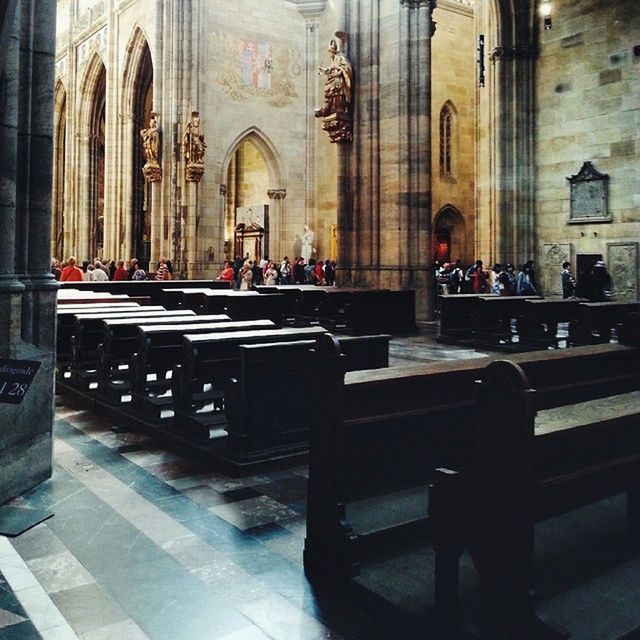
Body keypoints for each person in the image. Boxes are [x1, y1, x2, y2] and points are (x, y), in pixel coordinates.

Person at [315, 39, 352, 119]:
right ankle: (331, 109)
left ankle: (339, 109)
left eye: (330, 52)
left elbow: (346, 67)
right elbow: (329, 70)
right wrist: (324, 71)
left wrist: (340, 71)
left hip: (338, 81)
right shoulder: (333, 61)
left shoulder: (340, 58)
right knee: (331, 93)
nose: (329, 55)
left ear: (332, 52)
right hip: (332, 81)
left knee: (338, 94)